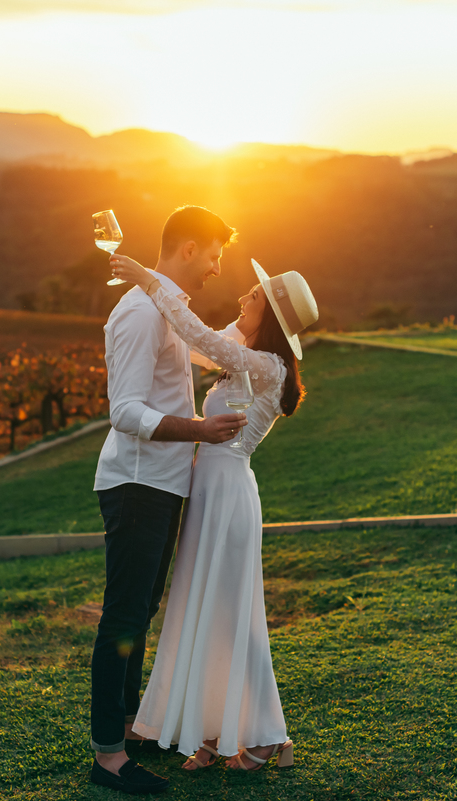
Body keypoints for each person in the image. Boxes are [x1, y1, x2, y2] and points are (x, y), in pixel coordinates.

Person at [109, 251, 318, 774]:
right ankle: (211, 731)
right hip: (208, 489)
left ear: (268, 314)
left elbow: (199, 336)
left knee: (230, 612)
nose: (244, 296)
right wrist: (156, 294)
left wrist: (150, 281)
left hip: (227, 493)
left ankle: (268, 736)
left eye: (255, 296)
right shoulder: (245, 350)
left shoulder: (265, 365)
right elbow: (194, 341)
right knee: (203, 605)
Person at [89, 206, 248, 795]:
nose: (216, 266)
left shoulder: (168, 309)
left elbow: (212, 348)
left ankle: (128, 725)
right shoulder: (137, 312)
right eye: (213, 254)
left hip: (162, 483)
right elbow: (125, 413)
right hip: (136, 483)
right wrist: (200, 431)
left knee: (142, 611)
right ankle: (107, 755)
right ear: (186, 248)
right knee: (123, 615)